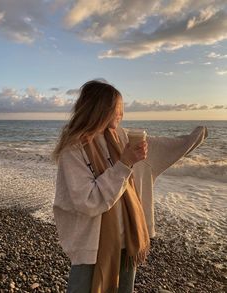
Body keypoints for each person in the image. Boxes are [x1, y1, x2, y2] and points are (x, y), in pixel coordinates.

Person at [52, 80, 208, 293]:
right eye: (118, 110)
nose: (121, 115)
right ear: (101, 110)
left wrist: (197, 136)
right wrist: (124, 164)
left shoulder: (122, 137)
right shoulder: (73, 149)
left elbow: (166, 147)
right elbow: (88, 201)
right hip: (92, 246)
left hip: (128, 240)